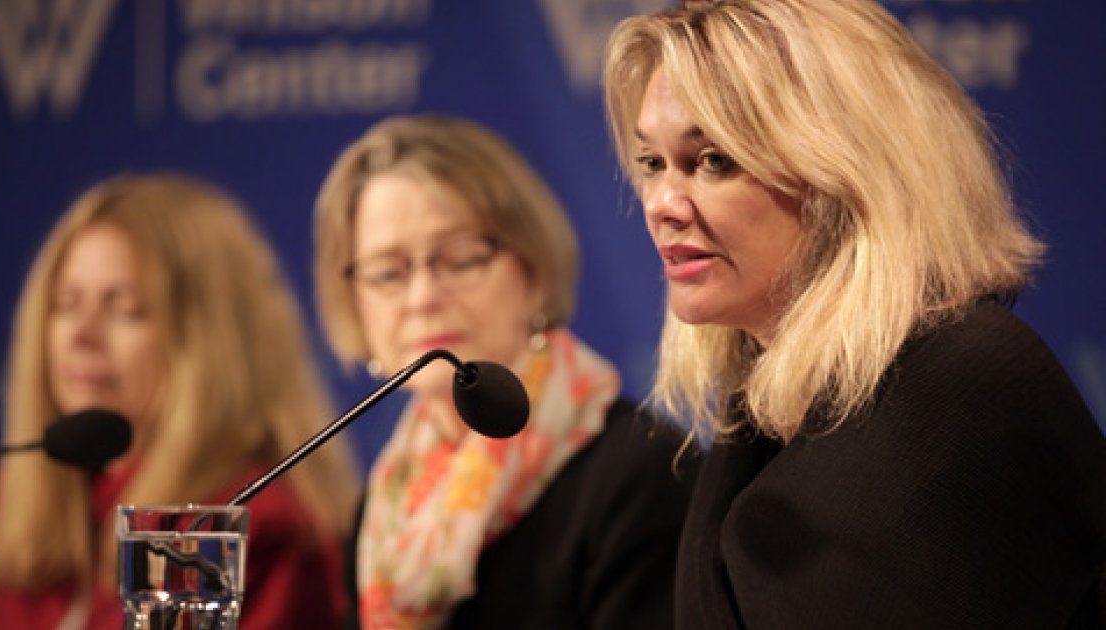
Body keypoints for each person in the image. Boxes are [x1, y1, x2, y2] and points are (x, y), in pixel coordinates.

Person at [600, 1, 1106, 628]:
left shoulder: (964, 388)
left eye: (713, 160)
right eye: (653, 164)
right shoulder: (760, 403)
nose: (663, 205)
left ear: (846, 171)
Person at [0, 173, 361, 629]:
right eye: (66, 304)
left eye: (124, 310)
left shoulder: (254, 532)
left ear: (208, 342)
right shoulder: (4, 505)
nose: (81, 336)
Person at [313, 114, 698, 629]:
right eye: (388, 272)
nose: (423, 297)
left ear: (532, 270)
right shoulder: (388, 505)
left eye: (461, 259)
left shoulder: (644, 473)